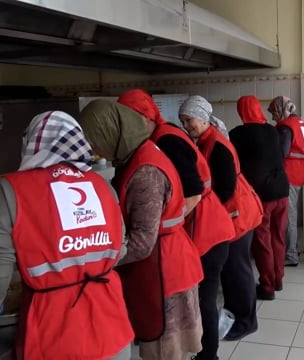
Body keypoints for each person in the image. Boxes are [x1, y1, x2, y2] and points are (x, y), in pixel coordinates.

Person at [0, 111, 134, 360]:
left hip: (54, 334)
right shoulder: (101, 185)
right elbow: (120, 248)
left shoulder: (11, 189)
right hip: (112, 325)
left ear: (32, 144)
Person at [79, 100, 204, 360]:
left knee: (165, 351)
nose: (92, 149)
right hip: (167, 262)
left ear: (110, 132)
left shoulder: (145, 171)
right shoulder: (139, 153)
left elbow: (142, 243)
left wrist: (97, 263)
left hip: (164, 271)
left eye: (93, 140)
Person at [118, 90, 235, 360]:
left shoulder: (165, 139)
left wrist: (168, 221)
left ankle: (209, 356)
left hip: (208, 230)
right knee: (202, 298)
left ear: (144, 118)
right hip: (208, 227)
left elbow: (193, 190)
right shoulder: (163, 135)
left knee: (204, 298)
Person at [179, 95, 263, 350]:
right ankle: (236, 312)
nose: (186, 125)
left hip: (237, 214)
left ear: (203, 118)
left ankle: (247, 321)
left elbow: (225, 188)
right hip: (230, 214)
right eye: (183, 121)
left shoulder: (217, 144)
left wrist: (204, 207)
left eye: (190, 119)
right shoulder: (207, 140)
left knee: (239, 270)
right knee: (232, 269)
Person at [230, 95, 289, 301]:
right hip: (282, 190)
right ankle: (278, 279)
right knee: (278, 237)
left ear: (241, 112)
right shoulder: (273, 130)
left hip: (262, 194)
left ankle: (267, 286)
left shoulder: (237, 134)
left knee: (262, 241)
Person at [267, 96, 304, 267]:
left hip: (289, 173)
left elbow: (282, 152)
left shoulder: (285, 128)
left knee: (288, 216)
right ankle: (291, 248)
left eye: (274, 113)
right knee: (291, 213)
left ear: (281, 109)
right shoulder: (301, 123)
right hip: (300, 170)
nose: (273, 118)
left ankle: (290, 254)